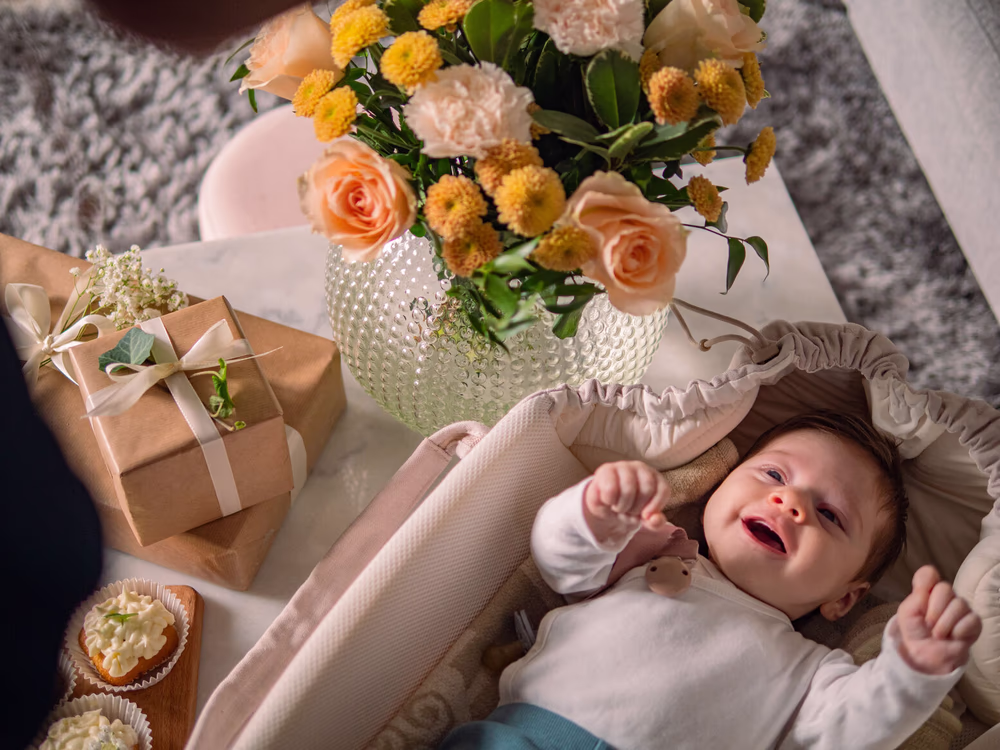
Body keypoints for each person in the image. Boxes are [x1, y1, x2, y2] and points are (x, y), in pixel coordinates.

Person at [441, 412, 983, 749]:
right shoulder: (649, 556)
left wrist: (912, 672)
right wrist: (592, 513)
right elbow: (560, 561)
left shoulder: (814, 672)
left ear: (845, 599)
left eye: (831, 515)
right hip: (522, 738)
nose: (790, 502)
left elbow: (853, 731)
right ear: (719, 485)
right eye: (774, 475)